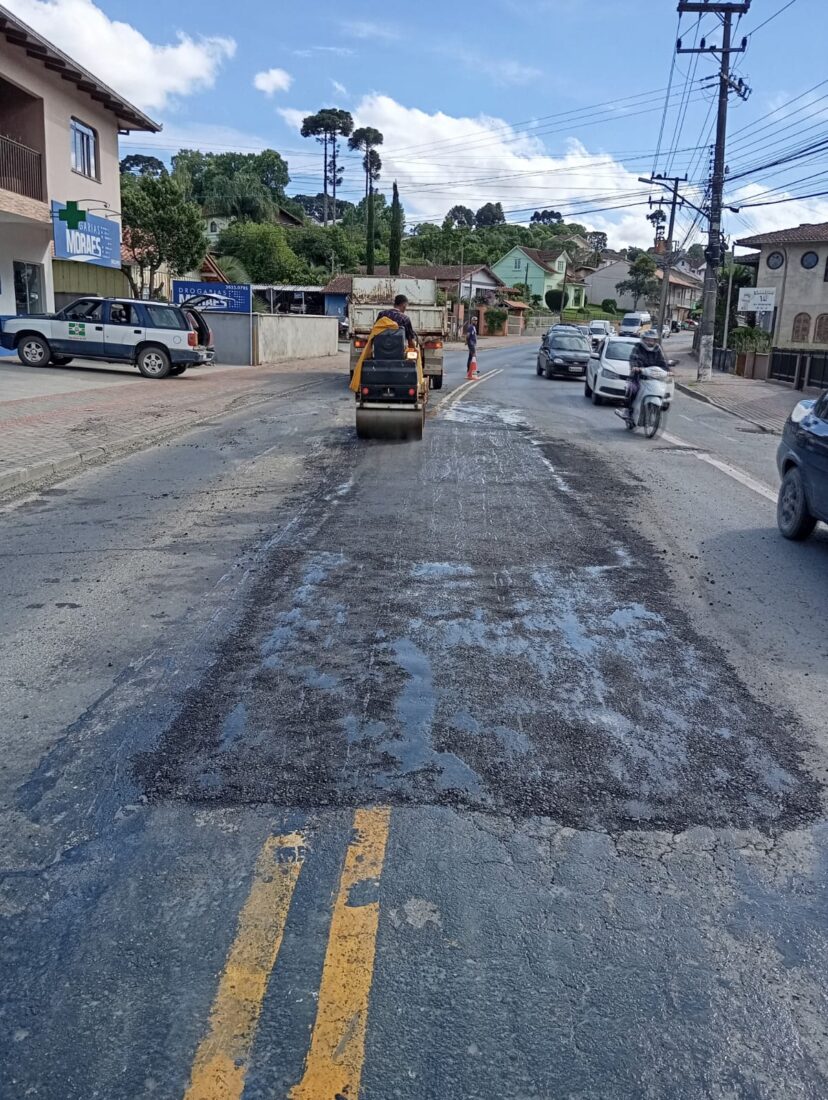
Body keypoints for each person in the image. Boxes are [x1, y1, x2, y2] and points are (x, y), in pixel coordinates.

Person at [626, 329, 669, 416]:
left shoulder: (658, 349)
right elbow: (633, 358)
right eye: (648, 339)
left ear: (655, 341)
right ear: (644, 339)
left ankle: (660, 406)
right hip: (639, 376)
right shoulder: (638, 347)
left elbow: (662, 361)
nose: (650, 342)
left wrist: (667, 371)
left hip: (654, 377)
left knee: (665, 390)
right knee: (633, 390)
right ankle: (629, 411)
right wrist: (635, 367)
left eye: (652, 340)